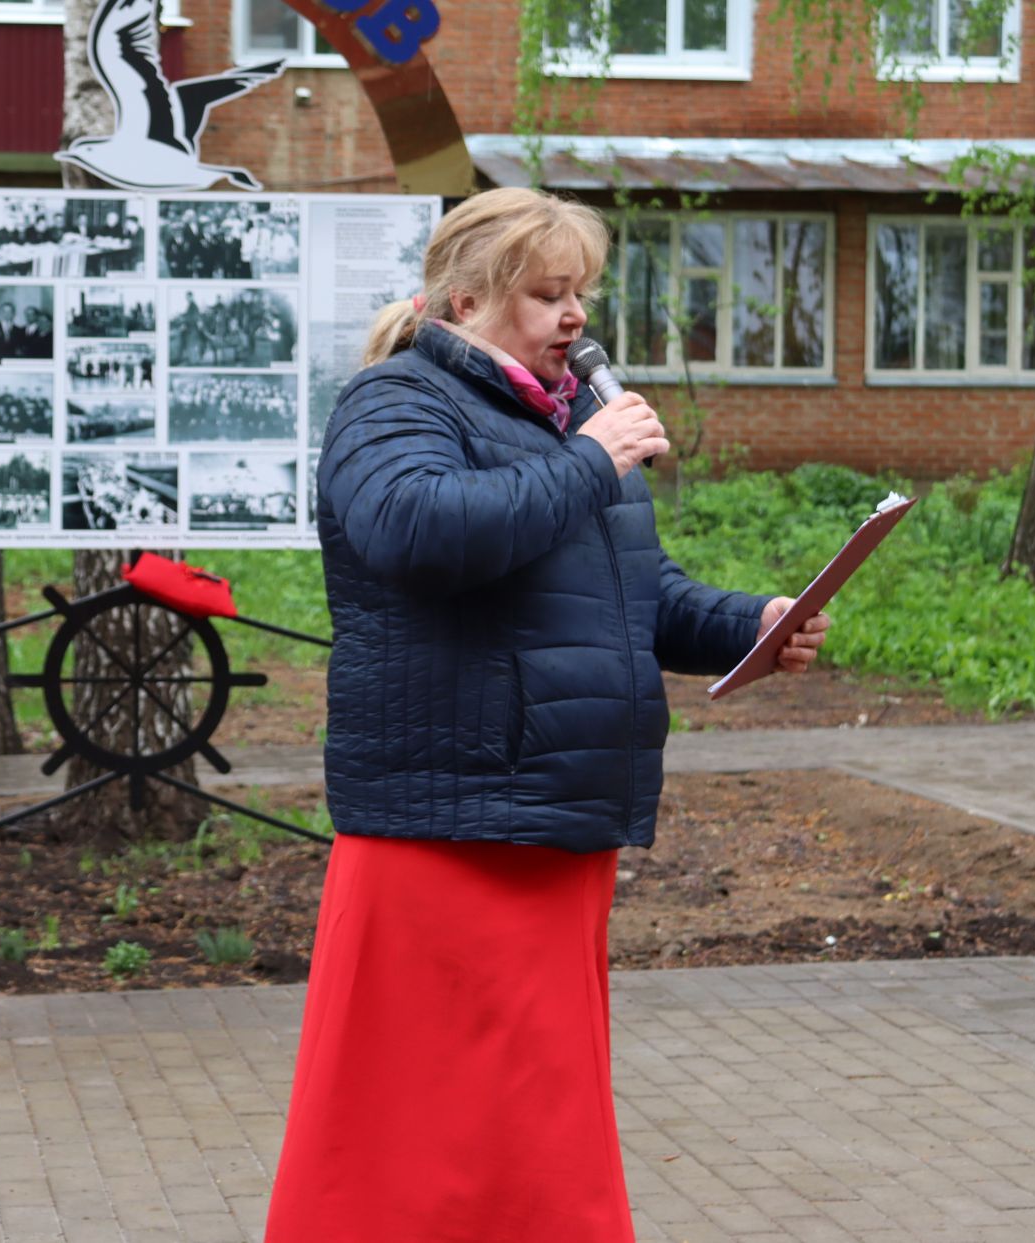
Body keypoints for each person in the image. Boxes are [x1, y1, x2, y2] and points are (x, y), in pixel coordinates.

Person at [265, 187, 830, 1242]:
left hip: (557, 815)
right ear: (467, 300)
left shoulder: (573, 423)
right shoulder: (396, 402)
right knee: (409, 1117)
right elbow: (418, 532)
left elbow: (638, 595)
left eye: (582, 292)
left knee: (539, 1113)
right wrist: (589, 458)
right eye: (547, 294)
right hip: (445, 821)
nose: (576, 316)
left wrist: (751, 622)